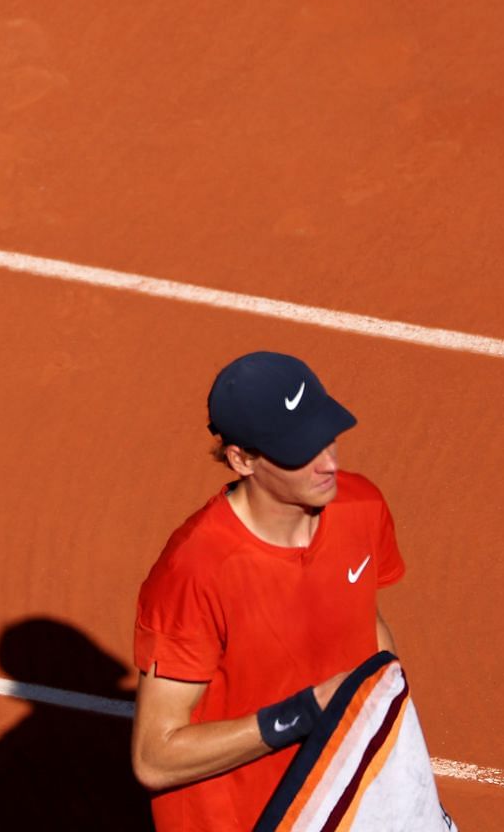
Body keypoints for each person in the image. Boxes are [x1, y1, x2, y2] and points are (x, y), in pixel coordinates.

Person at [130, 351, 404, 829]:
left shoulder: (361, 506)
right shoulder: (195, 572)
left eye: (329, 438)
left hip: (338, 806)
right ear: (242, 459)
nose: (328, 464)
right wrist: (306, 712)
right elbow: (155, 757)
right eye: (301, 451)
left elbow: (367, 623)